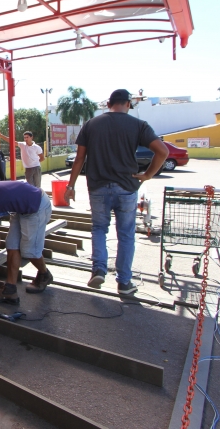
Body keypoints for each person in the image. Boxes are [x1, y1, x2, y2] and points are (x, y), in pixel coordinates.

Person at [64, 89, 168, 295]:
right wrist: (147, 175)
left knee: (99, 229)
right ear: (128, 104)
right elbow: (163, 151)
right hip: (127, 188)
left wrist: (71, 186)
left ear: (108, 104)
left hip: (98, 187)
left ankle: (98, 270)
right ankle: (124, 282)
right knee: (126, 235)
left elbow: (79, 159)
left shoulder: (91, 124)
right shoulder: (138, 125)